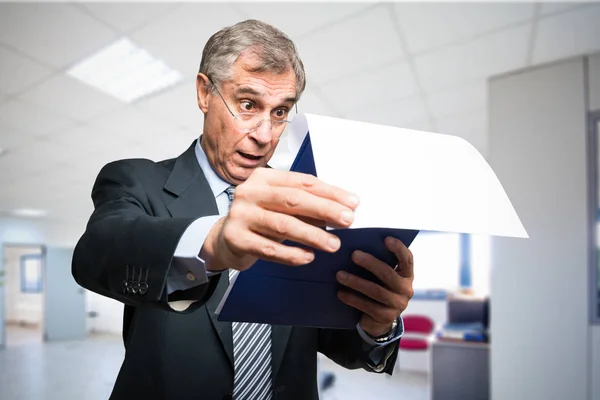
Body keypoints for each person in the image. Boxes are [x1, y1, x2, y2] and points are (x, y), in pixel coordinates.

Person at [72, 19, 414, 400]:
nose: (265, 135)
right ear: (205, 92)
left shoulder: (304, 206)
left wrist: (376, 324)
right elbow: (97, 251)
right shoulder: (138, 181)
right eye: (248, 105)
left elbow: (334, 341)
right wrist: (212, 243)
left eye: (280, 112)